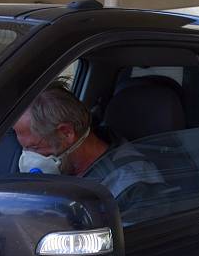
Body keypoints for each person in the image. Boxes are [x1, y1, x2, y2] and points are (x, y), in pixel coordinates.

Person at [13, 80, 167, 214]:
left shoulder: (132, 186)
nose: (28, 157)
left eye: (34, 148)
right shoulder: (66, 168)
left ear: (66, 133)